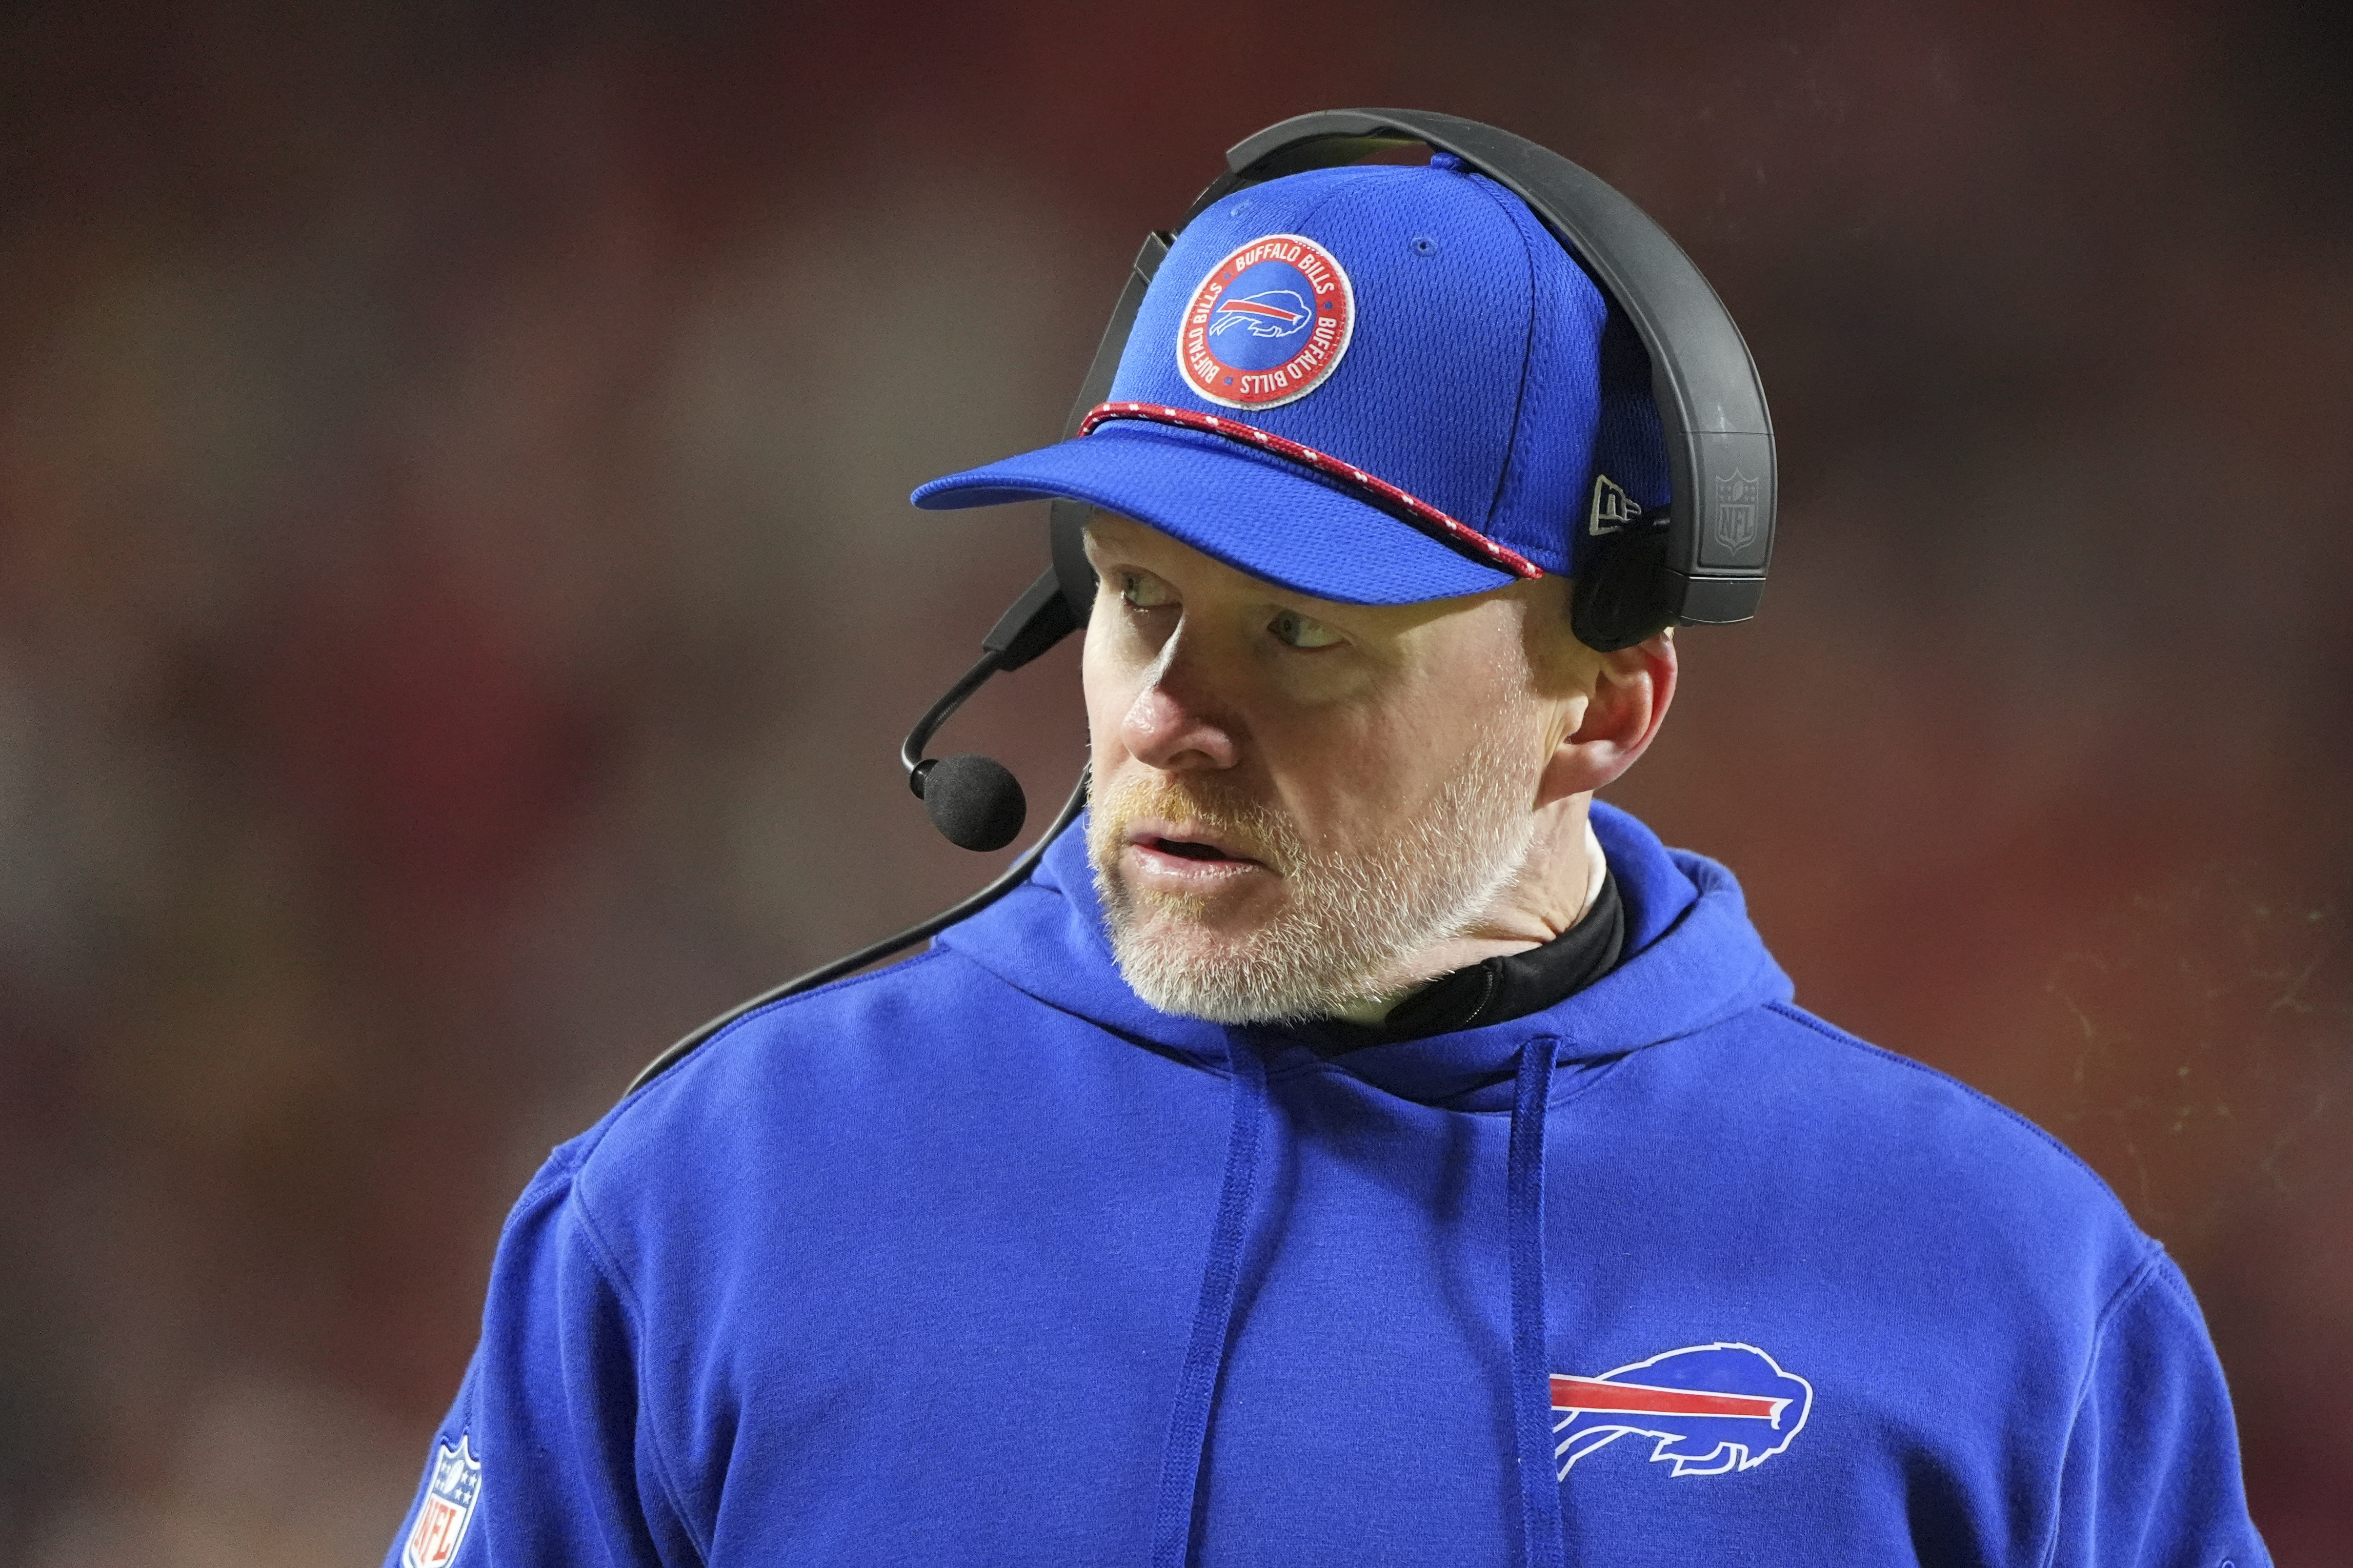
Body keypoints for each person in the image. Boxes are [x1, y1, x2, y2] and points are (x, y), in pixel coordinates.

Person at [387, 144, 2270, 1567]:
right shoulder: (704, 1210)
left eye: (1305, 631)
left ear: (1601, 708)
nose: (1163, 717)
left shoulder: (2009, 1297)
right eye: (1136, 598)